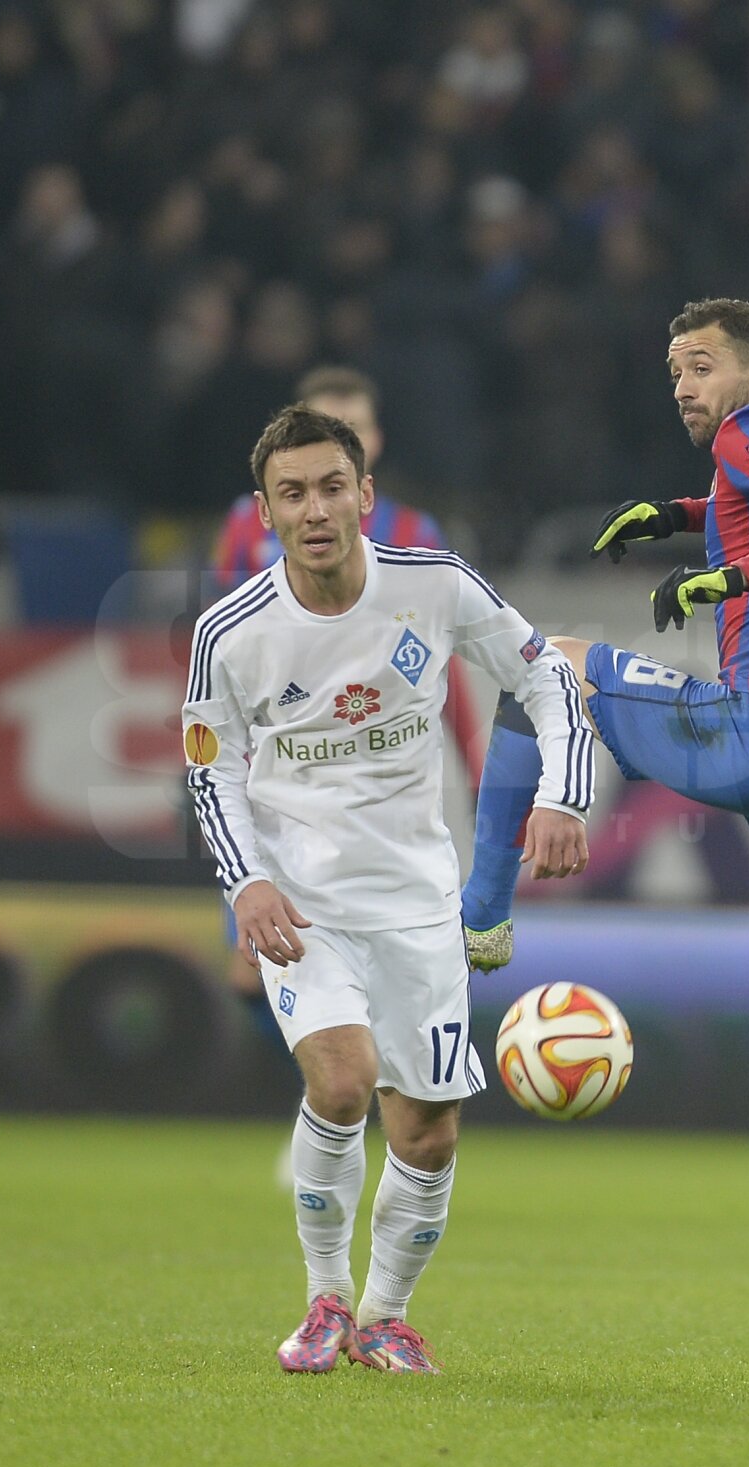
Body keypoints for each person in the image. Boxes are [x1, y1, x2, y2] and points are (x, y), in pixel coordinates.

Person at [461, 297, 749, 1359]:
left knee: (544, 661)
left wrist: (728, 573)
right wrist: (678, 517)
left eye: (703, 364)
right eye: (675, 367)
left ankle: (480, 916)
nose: (684, 383)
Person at [183, 404, 592, 1373]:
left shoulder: (435, 587)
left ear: (367, 496)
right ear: (265, 511)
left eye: (332, 487)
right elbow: (210, 769)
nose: (315, 508)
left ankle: (384, 1317)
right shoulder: (230, 632)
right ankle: (323, 1302)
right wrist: (246, 887)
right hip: (301, 905)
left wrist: (564, 796)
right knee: (340, 1078)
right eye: (293, 493)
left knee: (429, 1134)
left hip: (416, 902)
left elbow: (547, 679)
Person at [212, 366, 484, 1067]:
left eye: (355, 428)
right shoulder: (246, 528)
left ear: (372, 445)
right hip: (271, 781)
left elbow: (443, 664)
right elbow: (217, 651)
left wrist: (478, 767)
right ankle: (320, 1094)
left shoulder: (415, 535)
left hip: (376, 787)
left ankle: (341, 1095)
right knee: (250, 966)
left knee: (365, 973)